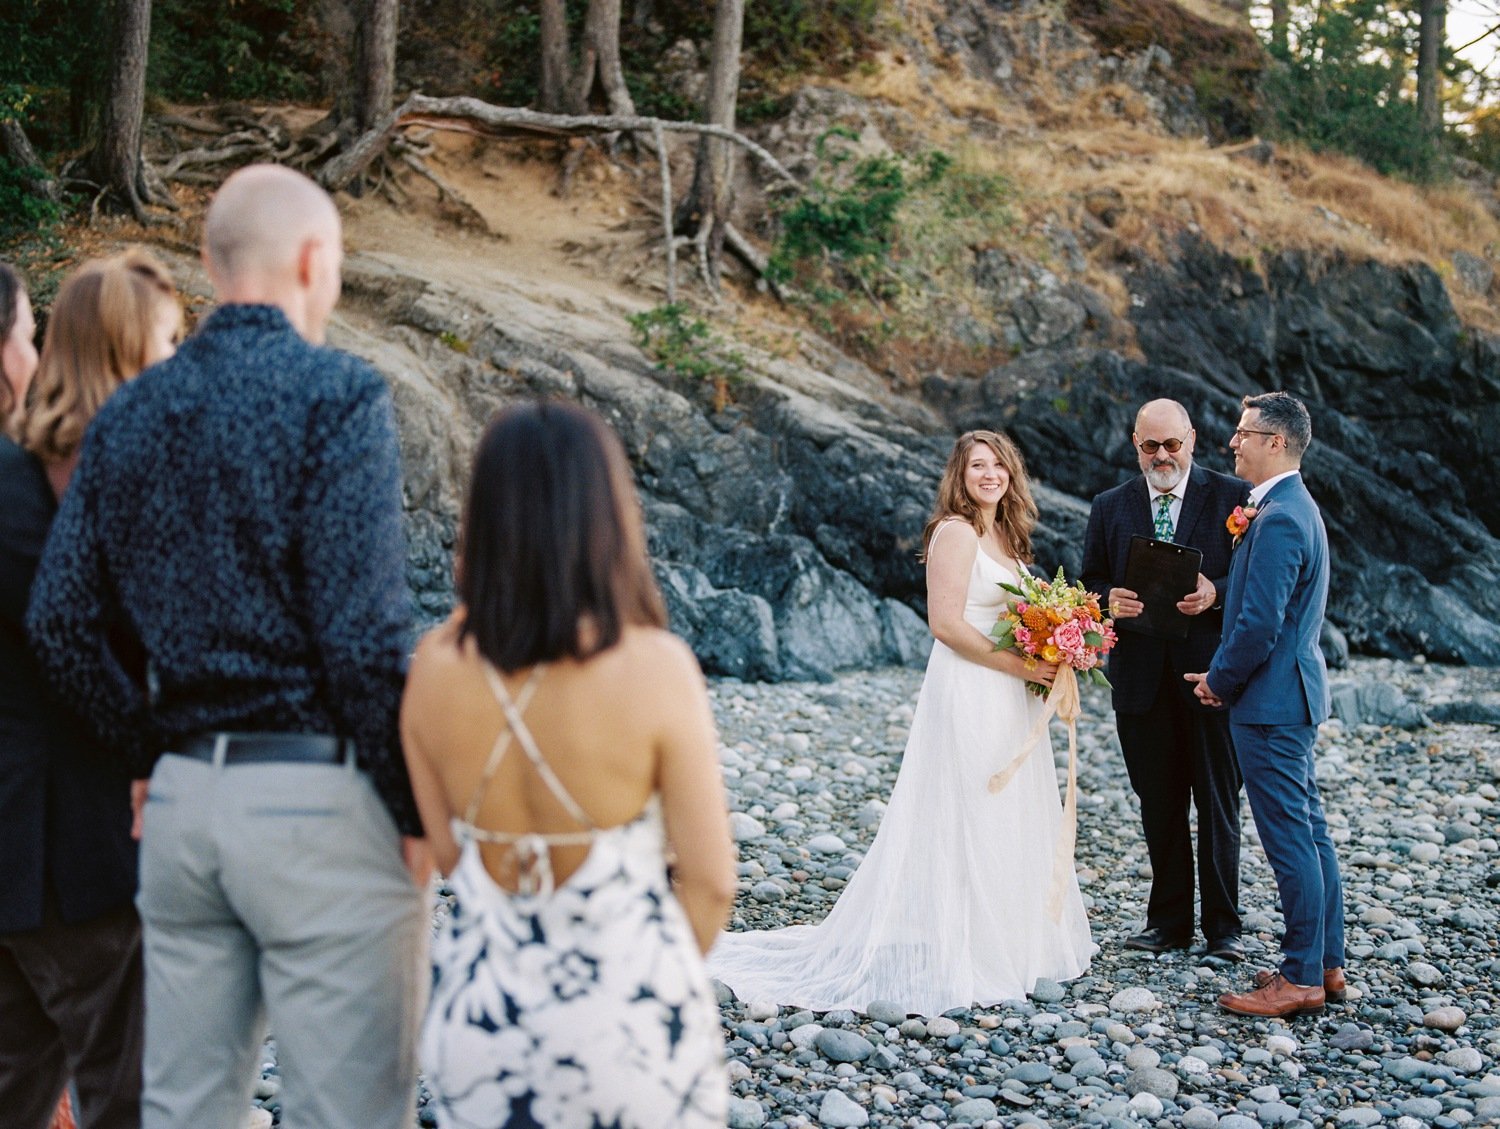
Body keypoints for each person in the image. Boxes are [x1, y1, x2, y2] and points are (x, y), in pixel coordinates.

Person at [27, 165, 430, 1129]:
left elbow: (60, 618)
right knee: (350, 1110)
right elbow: (364, 637)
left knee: (182, 1111)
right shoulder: (338, 395)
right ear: (315, 261)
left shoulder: (130, 412)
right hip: (316, 802)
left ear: (209, 264)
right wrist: (417, 807)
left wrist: (143, 747)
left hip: (181, 812)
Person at [403, 399, 734, 1129]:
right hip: (630, 1026)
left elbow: (451, 855)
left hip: (482, 1031)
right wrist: (661, 980)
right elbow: (711, 882)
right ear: (607, 514)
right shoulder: (655, 666)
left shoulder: (432, 668)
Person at [708, 429, 1095, 1017]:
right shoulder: (956, 532)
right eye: (976, 467)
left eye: (998, 465)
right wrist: (1023, 663)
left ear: (1012, 474)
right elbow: (944, 623)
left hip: (1008, 691)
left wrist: (1056, 645)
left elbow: (1014, 616)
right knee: (972, 806)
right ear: (959, 478)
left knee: (1007, 809)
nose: (989, 475)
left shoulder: (1008, 537)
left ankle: (1005, 941)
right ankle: (964, 949)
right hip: (969, 687)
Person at [0, 259, 147, 1129]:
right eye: (24, 334)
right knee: (138, 1093)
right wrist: (155, 748)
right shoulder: (14, 489)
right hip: (60, 854)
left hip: (29, 857)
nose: (32, 355)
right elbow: (71, 634)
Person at [1186, 391, 1343, 1019]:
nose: (1234, 443)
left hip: (1272, 705)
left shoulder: (1278, 516)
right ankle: (1326, 962)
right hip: (1290, 695)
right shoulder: (1291, 507)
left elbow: (1258, 624)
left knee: (1290, 842)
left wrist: (1220, 681)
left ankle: (1301, 976)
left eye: (1244, 432)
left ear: (1276, 442)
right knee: (1310, 833)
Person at [1081, 398, 1248, 961]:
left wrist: (1216, 593)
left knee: (1219, 803)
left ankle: (1223, 928)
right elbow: (1090, 582)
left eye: (1171, 444)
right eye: (1150, 445)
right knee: (1159, 803)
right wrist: (1109, 601)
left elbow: (1259, 576)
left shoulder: (1233, 498)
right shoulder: (1109, 505)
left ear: (1192, 440)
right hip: (1140, 683)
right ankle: (1168, 923)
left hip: (1211, 674)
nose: (1161, 455)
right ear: (1135, 443)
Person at [23, 250, 182, 499]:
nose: (175, 354)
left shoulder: (34, 444)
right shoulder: (133, 455)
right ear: (124, 346)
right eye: (168, 339)